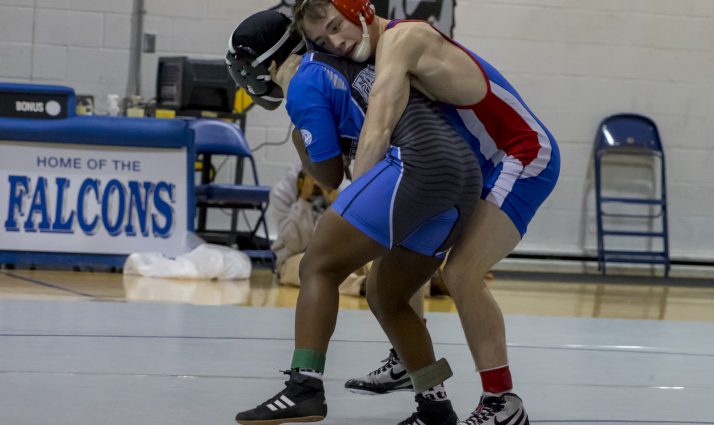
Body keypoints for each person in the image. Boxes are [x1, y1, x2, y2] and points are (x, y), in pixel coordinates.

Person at [292, 1, 561, 424]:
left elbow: (378, 127)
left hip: (521, 154)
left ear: (360, 9)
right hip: (479, 163)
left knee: (461, 273)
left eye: (336, 26)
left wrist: (350, 210)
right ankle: (405, 358)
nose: (338, 43)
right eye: (324, 41)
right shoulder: (379, 54)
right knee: (403, 246)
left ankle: (503, 402)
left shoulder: (404, 39)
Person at [226, 10, 482, 424]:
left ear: (269, 65)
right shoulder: (352, 60)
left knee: (318, 266)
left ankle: (304, 388)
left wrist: (298, 138)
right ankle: (435, 407)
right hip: (462, 175)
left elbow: (327, 175)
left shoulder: (306, 80)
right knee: (386, 294)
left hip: (417, 164)